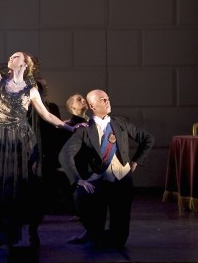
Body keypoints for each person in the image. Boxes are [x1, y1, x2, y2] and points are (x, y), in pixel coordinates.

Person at [0, 52, 81, 250]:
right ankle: (4, 233)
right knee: (4, 186)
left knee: (26, 186)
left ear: (25, 63)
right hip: (2, 140)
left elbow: (45, 114)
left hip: (23, 140)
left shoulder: (31, 89)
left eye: (16, 56)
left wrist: (69, 127)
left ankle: (33, 230)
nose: (11, 58)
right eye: (10, 56)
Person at [59, 89, 154, 250]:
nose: (107, 101)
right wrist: (77, 179)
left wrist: (136, 161)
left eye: (107, 98)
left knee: (119, 239)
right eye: (102, 99)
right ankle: (95, 236)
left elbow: (148, 139)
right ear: (92, 106)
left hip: (122, 180)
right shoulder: (84, 129)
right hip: (99, 181)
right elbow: (65, 154)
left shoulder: (121, 123)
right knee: (96, 235)